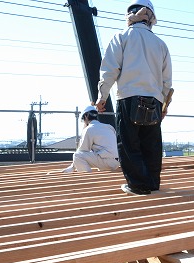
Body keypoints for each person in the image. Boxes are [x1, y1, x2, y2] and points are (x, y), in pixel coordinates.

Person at [95, 0, 172, 196]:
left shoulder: (122, 37)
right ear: (151, 19)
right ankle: (152, 183)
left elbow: (109, 70)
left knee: (129, 144)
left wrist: (101, 96)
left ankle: (138, 185)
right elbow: (167, 82)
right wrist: (163, 107)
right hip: (154, 100)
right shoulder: (161, 44)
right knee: (152, 145)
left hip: (129, 98)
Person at [58, 105, 119, 174]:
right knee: (96, 156)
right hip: (116, 162)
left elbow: (82, 151)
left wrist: (72, 167)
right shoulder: (109, 127)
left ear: (86, 117)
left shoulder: (89, 129)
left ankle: (87, 177)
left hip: (105, 161)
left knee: (77, 155)